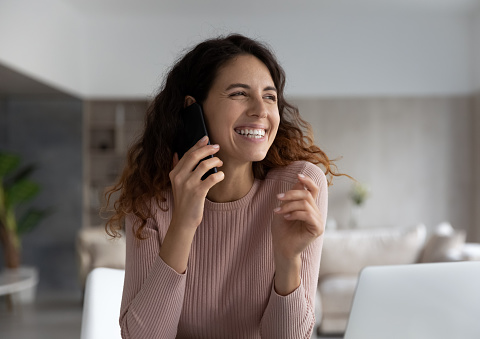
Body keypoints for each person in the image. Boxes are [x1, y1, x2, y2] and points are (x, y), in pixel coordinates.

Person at [105, 33, 345, 339]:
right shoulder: (152, 199)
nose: (260, 109)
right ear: (193, 109)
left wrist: (288, 258)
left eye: (270, 96)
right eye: (239, 94)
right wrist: (183, 223)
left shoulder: (299, 185)